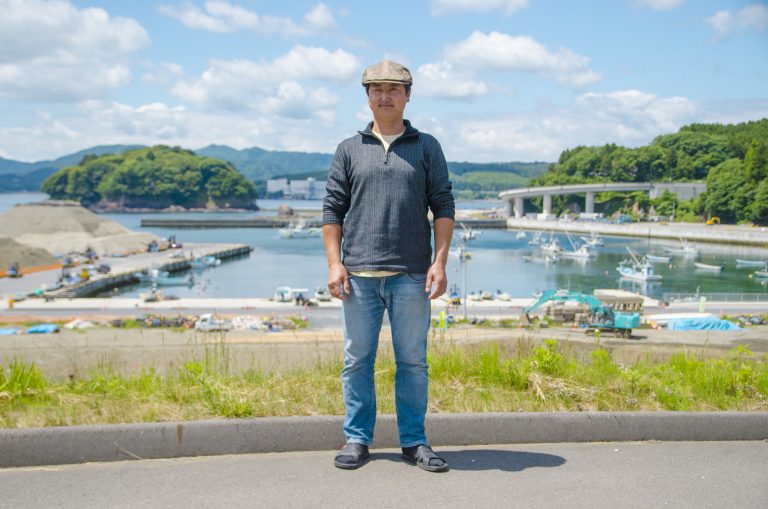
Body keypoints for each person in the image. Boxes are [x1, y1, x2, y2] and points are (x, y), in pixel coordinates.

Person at [322, 60, 455, 472]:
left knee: (412, 361)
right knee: (357, 361)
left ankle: (414, 441)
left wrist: (439, 262)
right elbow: (332, 211)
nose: (384, 96)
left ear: (408, 95)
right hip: (358, 275)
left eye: (393, 89)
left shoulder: (426, 146)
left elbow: (444, 205)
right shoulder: (349, 148)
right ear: (367, 97)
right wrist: (334, 264)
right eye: (376, 89)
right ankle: (357, 439)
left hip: (413, 275)